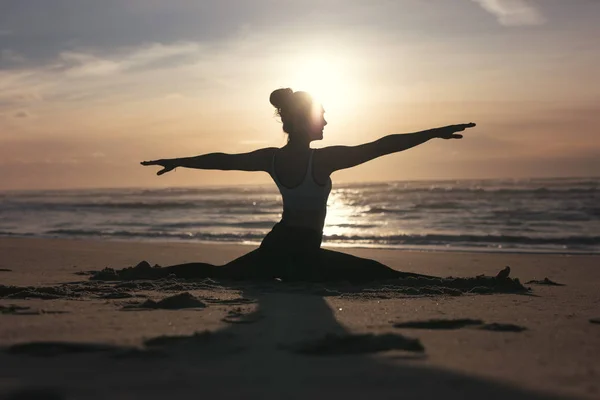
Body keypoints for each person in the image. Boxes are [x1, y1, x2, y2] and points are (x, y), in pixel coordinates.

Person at [138, 88, 477, 283]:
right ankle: (466, 284)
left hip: (281, 246)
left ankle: (145, 274)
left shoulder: (271, 158)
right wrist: (432, 133)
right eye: (322, 115)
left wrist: (180, 161)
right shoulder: (324, 159)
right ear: (305, 120)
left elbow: (223, 159)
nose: (327, 120)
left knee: (224, 274)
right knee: (380, 275)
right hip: (299, 253)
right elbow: (382, 145)